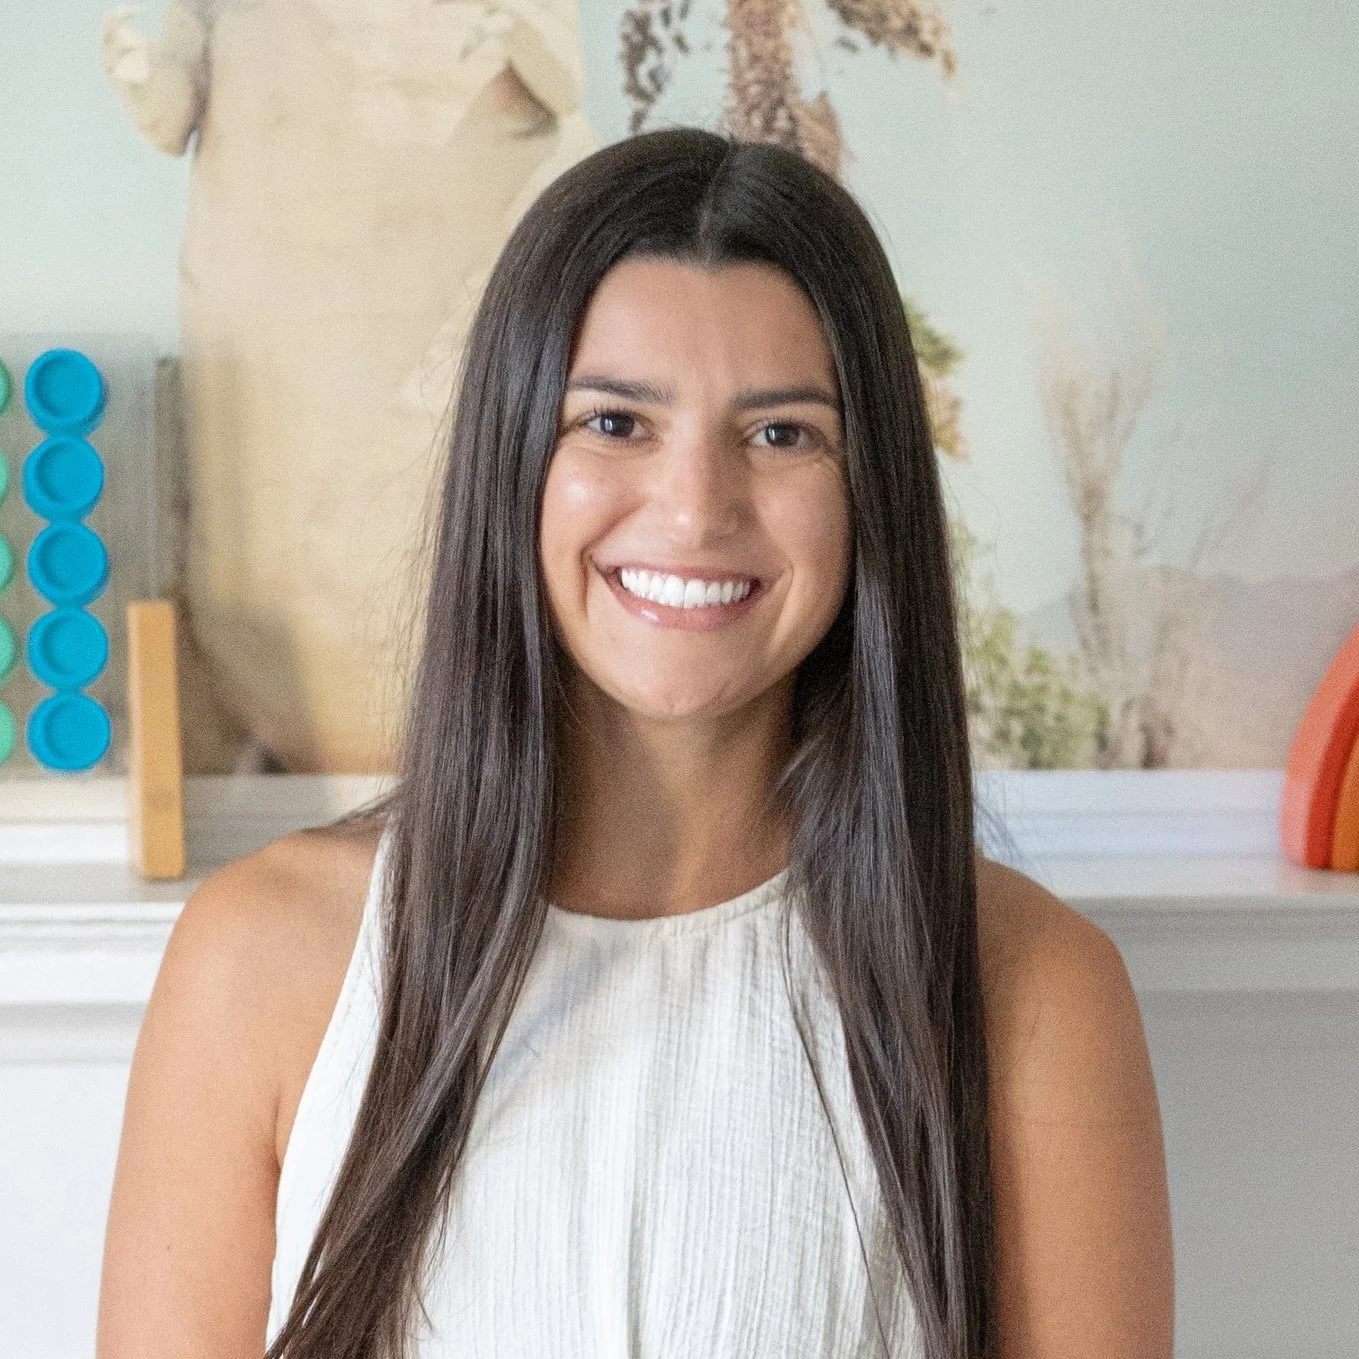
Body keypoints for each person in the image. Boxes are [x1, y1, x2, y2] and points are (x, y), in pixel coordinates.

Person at [96, 128, 1173, 1358]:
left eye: (782, 435)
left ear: (868, 490)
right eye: (614, 422)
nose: (694, 506)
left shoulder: (1036, 995)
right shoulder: (261, 962)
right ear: (513, 462)